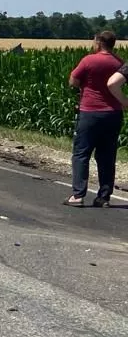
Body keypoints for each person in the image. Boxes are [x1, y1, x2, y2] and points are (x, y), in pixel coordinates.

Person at [66, 30, 123, 207]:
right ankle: (104, 196)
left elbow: (73, 81)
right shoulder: (119, 62)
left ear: (98, 43)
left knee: (81, 153)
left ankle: (78, 195)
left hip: (90, 111)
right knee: (107, 156)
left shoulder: (89, 60)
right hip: (113, 113)